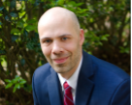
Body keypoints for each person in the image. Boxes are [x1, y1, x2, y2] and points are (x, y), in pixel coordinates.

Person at [32, 7, 132, 105]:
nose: (56, 49)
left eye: (64, 38)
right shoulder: (39, 79)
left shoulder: (118, 88)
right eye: (47, 41)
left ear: (80, 37)